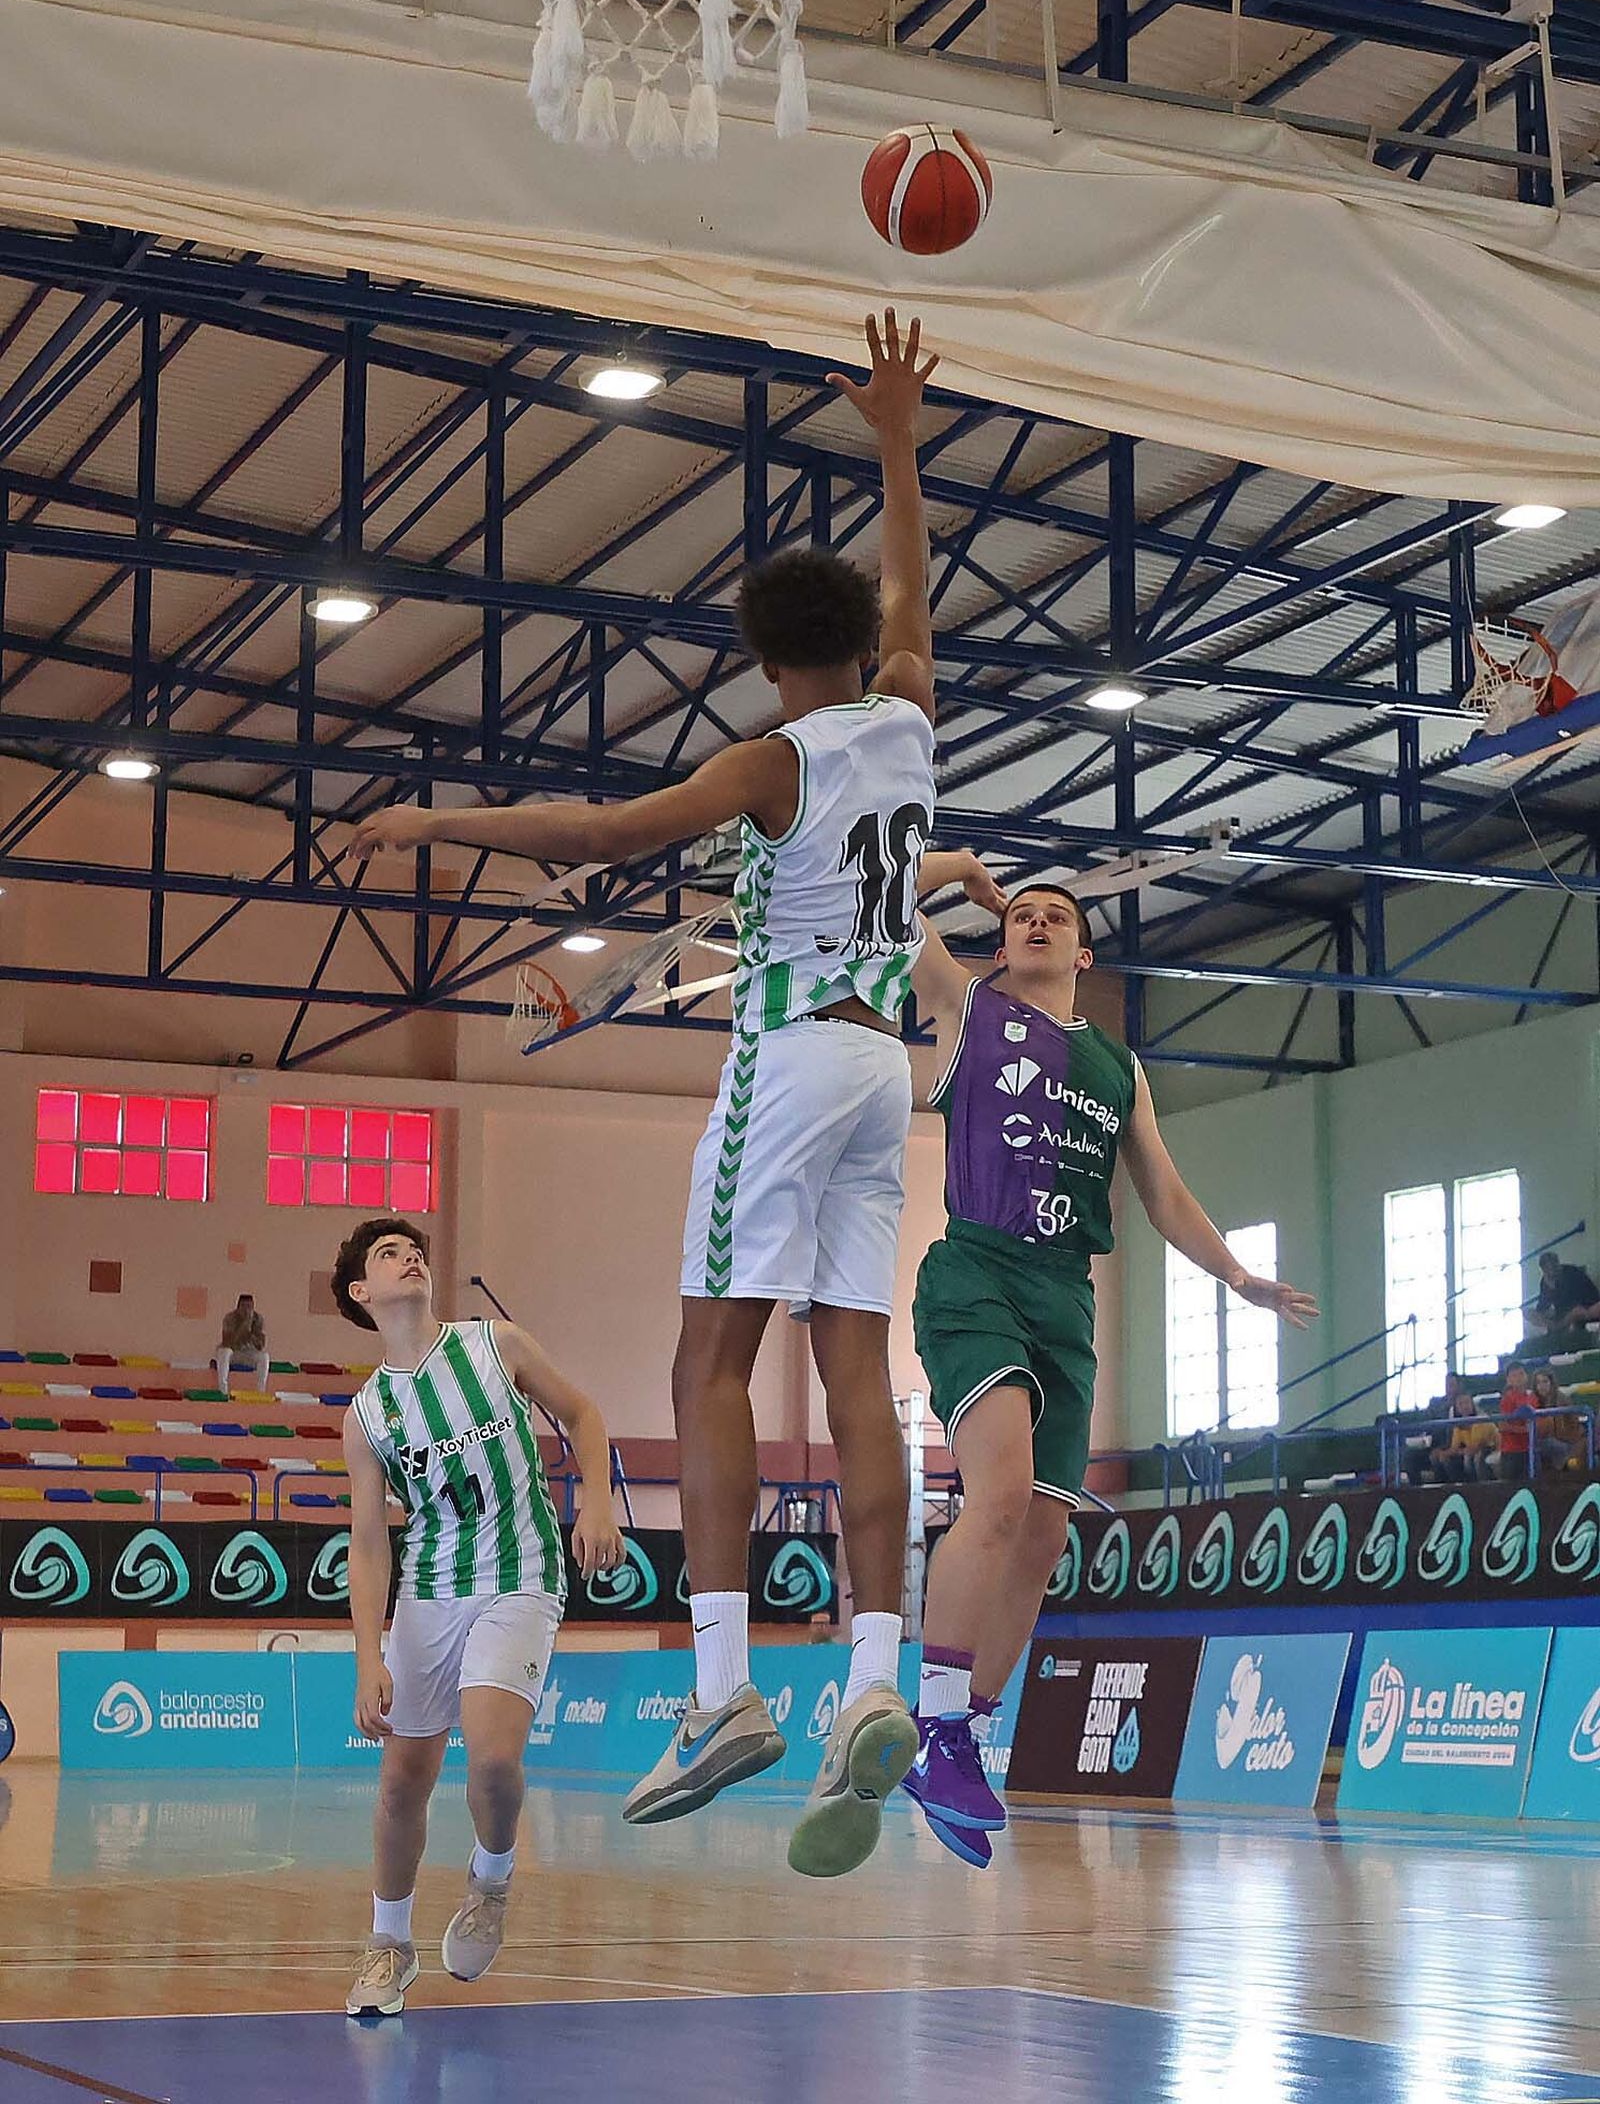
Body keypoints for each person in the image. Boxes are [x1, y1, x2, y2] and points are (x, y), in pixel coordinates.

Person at [350, 311, 941, 1881]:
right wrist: (895, 436)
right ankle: (875, 1683)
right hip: (891, 1072)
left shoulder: (779, 758)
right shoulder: (908, 717)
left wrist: (433, 824)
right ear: (854, 636)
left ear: (762, 658)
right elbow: (912, 597)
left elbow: (607, 837)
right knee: (861, 1378)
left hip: (796, 1049)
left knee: (705, 1367)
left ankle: (727, 1690)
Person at [898, 867, 1317, 1867]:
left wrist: (1239, 1277)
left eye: (1055, 918)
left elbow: (1163, 1195)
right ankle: (936, 1723)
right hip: (978, 1271)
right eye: (1019, 917)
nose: (1035, 923)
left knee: (1041, 1537)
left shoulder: (1118, 1069)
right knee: (995, 1501)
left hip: (1065, 1294)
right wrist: (954, 874)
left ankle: (967, 1735)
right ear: (1002, 946)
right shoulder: (967, 1005)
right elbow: (881, 890)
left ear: (1082, 954)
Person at [337, 1218, 623, 2017]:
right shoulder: (366, 1416)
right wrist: (369, 1656)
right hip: (428, 1591)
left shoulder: (497, 1345)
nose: (410, 1255)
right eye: (388, 1254)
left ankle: (491, 1880)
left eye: (413, 1247)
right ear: (362, 1294)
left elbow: (585, 1415)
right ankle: (389, 1946)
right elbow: (367, 1543)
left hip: (520, 1574)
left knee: (493, 1760)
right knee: (403, 1781)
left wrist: (596, 1502)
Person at [1523, 1251, 1600, 1354]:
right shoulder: (1545, 1282)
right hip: (1564, 1317)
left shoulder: (1572, 1274)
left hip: (1585, 1310)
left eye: (1554, 1267)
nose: (1552, 1272)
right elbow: (1543, 1307)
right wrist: (1537, 1316)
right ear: (1543, 1270)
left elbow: (1579, 1307)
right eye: (1548, 1270)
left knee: (1574, 1320)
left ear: (1557, 1264)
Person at [1401, 1368, 1463, 1488]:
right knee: (1409, 1456)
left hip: (1455, 1447)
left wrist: (1444, 1449)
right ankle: (1417, 1490)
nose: (1449, 1389)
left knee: (1442, 1458)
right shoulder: (1436, 1404)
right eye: (1447, 1385)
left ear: (1459, 1386)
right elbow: (1429, 1426)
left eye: (1452, 1385)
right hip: (1433, 1444)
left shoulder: (1464, 1403)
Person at [1428, 1389, 1496, 1485]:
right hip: (1471, 1450)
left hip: (1490, 1448)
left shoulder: (1481, 1420)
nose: (1464, 1406)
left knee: (1473, 1458)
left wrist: (1461, 1451)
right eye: (1460, 1404)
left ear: (1472, 1404)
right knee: (1445, 1459)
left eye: (1467, 1402)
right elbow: (1454, 1448)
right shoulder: (1459, 1424)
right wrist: (1443, 1453)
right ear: (1457, 1408)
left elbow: (1477, 1446)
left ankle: (1481, 1487)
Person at [1530, 1366, 1586, 1475]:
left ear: (1552, 1383)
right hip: (1547, 1442)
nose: (1542, 1386)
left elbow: (1573, 1428)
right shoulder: (1533, 1401)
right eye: (1538, 1383)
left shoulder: (1562, 1399)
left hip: (1569, 1442)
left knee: (1551, 1445)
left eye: (1545, 1381)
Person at [212, 1294, 269, 1396]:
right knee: (224, 1352)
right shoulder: (229, 1318)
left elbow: (261, 1345)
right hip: (233, 1353)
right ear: (238, 1307)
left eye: (249, 1307)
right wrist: (243, 1327)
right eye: (244, 1307)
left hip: (248, 1354)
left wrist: (251, 1334)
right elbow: (228, 1343)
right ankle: (223, 1390)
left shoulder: (258, 1319)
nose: (246, 1310)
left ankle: (261, 1391)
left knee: (264, 1357)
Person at [1495, 1361, 1539, 1481]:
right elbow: (1502, 1425)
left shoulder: (1532, 1398)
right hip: (1511, 1451)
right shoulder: (1507, 1399)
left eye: (1521, 1374)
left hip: (1529, 1449)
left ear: (1526, 1376)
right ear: (1508, 1379)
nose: (1518, 1378)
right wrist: (1524, 1430)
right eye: (1514, 1375)